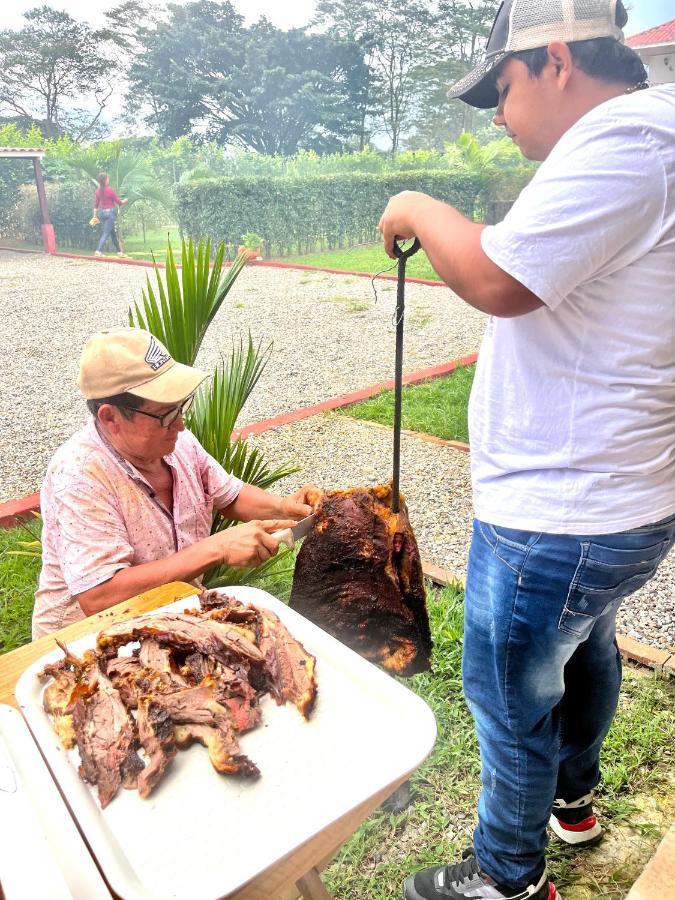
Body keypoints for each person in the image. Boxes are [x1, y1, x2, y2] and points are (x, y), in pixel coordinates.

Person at [378, 1, 675, 898]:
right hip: (617, 500)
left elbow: (497, 278)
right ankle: (574, 804)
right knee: (584, 648)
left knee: (508, 698)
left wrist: (418, 206)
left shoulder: (627, 139)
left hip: (559, 512)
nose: (498, 116)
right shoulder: (648, 137)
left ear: (553, 59)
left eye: (500, 91)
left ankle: (506, 878)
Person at [32, 327, 316, 639]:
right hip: (86, 641)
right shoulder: (80, 476)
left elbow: (229, 495)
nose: (180, 423)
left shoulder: (178, 442)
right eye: (166, 414)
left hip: (171, 620)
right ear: (110, 417)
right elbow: (100, 596)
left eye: (181, 406)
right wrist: (216, 548)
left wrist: (285, 507)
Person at [93, 171, 128, 257]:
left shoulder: (97, 191)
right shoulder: (109, 190)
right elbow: (119, 202)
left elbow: (96, 205)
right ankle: (98, 251)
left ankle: (119, 252)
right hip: (110, 214)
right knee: (106, 233)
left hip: (102, 213)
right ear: (105, 180)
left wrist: (94, 216)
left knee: (112, 233)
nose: (108, 180)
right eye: (108, 178)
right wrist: (125, 201)